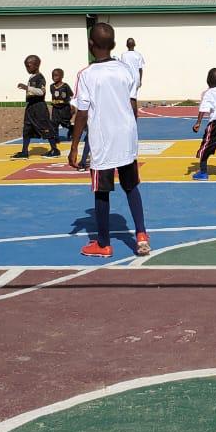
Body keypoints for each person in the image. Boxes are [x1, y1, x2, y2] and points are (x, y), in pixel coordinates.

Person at [68, 23, 150, 258]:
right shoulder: (127, 71)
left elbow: (82, 113)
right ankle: (142, 234)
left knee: (101, 192)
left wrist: (74, 147)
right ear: (114, 45)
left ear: (90, 44)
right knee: (131, 186)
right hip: (126, 137)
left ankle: (103, 244)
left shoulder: (86, 75)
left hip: (103, 141)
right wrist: (131, 130)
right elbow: (133, 104)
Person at [13, 55, 59, 159]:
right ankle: (24, 152)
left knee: (45, 127)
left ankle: (54, 149)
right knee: (27, 128)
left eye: (29, 66)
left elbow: (41, 92)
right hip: (30, 107)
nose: (27, 68)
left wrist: (27, 88)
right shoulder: (32, 77)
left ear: (36, 65)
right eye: (26, 66)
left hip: (39, 107)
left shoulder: (40, 77)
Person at [120, 38, 145, 117]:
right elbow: (140, 69)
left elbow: (123, 67)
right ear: (134, 44)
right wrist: (140, 80)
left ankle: (128, 116)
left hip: (127, 78)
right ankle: (134, 117)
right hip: (136, 78)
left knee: (126, 98)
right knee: (133, 98)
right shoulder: (138, 55)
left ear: (127, 45)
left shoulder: (123, 55)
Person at [49, 68, 74, 141]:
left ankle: (72, 129)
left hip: (64, 108)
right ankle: (56, 138)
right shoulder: (51, 86)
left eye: (56, 76)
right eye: (53, 76)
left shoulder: (65, 86)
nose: (54, 77)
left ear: (62, 76)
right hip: (55, 108)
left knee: (65, 123)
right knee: (54, 123)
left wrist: (72, 106)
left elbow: (72, 95)